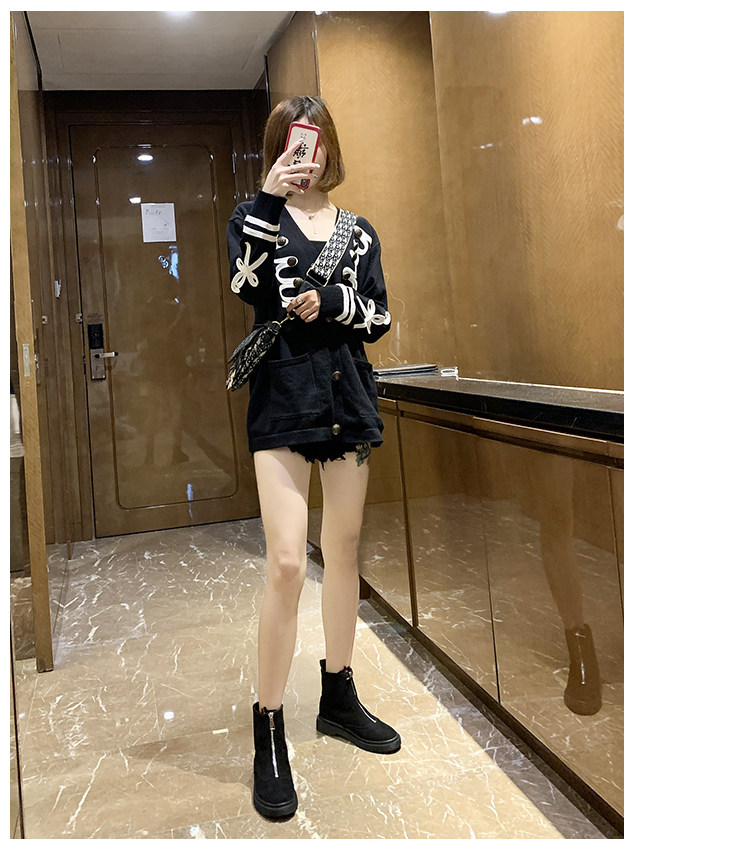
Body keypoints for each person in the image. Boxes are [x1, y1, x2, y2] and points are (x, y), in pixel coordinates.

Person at [226, 95, 400, 820]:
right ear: (279, 148)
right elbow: (245, 286)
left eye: (315, 140)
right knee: (287, 563)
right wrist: (270, 197)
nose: (307, 153)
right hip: (283, 400)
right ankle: (268, 725)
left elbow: (379, 316)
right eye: (294, 142)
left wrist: (333, 302)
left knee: (346, 547)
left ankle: (338, 694)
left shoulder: (358, 232)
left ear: (329, 144)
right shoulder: (253, 217)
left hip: (346, 395)